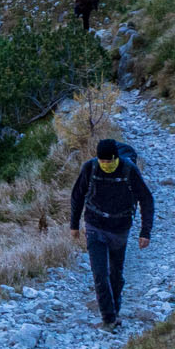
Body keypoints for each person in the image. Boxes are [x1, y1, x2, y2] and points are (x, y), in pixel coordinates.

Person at [69, 138, 154, 330]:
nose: (106, 165)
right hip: (94, 225)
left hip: (120, 228)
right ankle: (108, 318)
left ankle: (115, 308)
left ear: (116, 158)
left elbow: (146, 199)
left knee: (115, 274)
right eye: (102, 161)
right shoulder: (90, 168)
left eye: (109, 161)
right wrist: (74, 225)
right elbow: (77, 196)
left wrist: (145, 232)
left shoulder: (128, 169)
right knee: (100, 273)